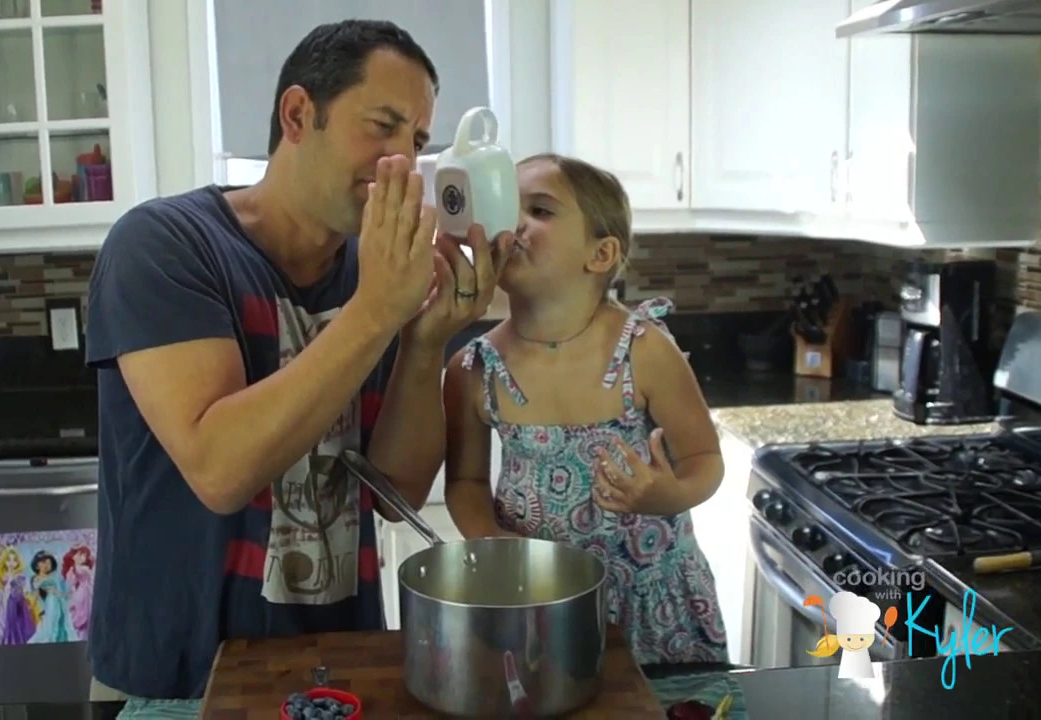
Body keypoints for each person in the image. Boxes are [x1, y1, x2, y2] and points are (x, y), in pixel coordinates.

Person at [84, 20, 514, 701]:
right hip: (174, 678)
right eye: (382, 126)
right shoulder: (164, 245)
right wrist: (376, 311)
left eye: (418, 141)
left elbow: (393, 492)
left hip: (337, 667)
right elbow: (219, 468)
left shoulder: (372, 272)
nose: (401, 160)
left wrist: (424, 339)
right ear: (296, 114)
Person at [441, 153, 728, 666]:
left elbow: (705, 457)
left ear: (600, 254)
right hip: (536, 604)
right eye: (510, 206)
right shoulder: (473, 368)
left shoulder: (644, 350)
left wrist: (672, 494)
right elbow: (464, 484)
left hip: (651, 606)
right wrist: (497, 546)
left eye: (542, 211)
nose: (516, 221)